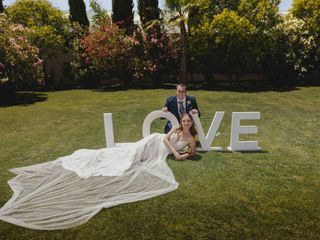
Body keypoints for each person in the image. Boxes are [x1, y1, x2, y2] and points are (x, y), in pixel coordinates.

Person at [0, 114, 197, 230]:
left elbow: (192, 152)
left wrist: (184, 156)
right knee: (131, 155)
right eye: (184, 120)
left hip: (161, 151)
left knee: (137, 160)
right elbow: (163, 140)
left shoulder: (190, 139)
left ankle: (131, 159)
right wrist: (174, 153)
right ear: (182, 121)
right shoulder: (175, 130)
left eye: (188, 121)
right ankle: (124, 159)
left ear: (192, 124)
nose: (186, 123)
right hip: (156, 141)